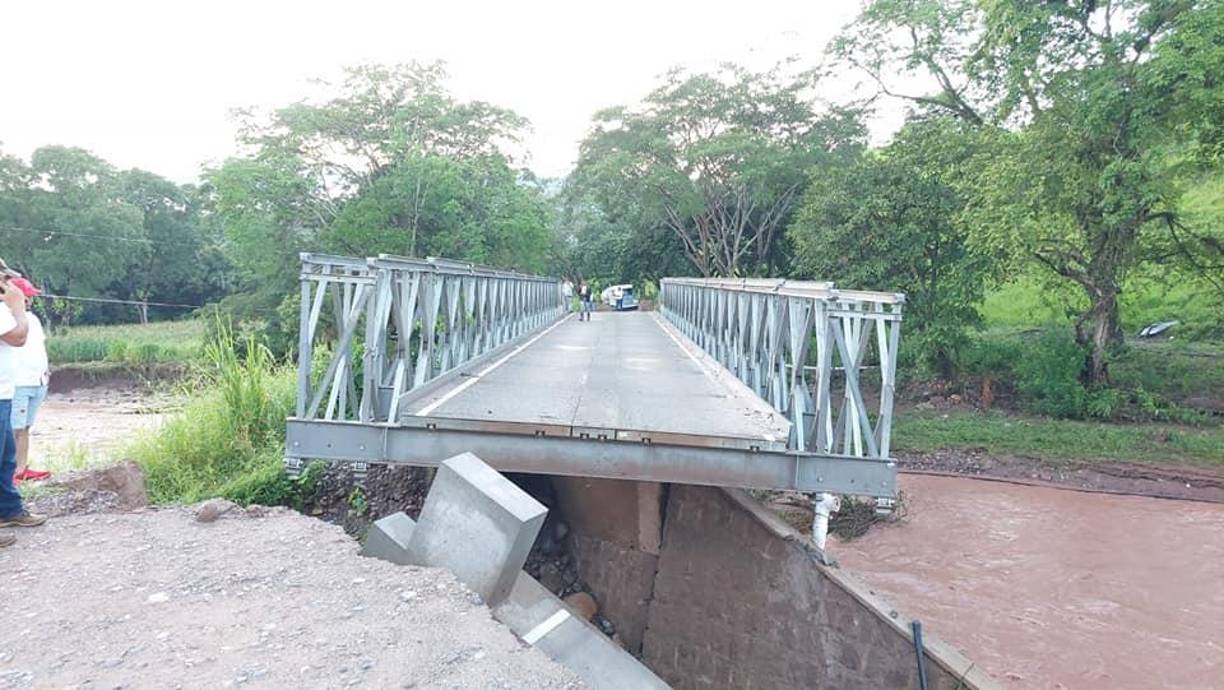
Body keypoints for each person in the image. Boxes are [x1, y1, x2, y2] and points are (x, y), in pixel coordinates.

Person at [0, 261, 47, 550]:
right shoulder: (7, 310)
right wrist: (17, 306)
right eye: (5, 278)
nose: (9, 284)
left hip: (4, 392)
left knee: (6, 458)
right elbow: (18, 337)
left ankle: (9, 510)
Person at [10, 277, 50, 483]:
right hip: (19, 383)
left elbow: (39, 347)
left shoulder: (33, 319)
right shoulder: (6, 319)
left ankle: (21, 469)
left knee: (25, 428)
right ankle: (9, 472)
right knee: (14, 429)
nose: (30, 300)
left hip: (39, 382)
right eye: (27, 296)